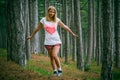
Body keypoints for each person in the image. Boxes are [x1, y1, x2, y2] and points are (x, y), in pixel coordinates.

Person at [27, 6, 77, 76]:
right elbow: (37, 29)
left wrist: (72, 33)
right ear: (48, 12)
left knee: (54, 55)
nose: (52, 13)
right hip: (48, 42)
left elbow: (65, 26)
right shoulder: (43, 20)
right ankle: (54, 71)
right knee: (51, 58)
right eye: (50, 11)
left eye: (53, 12)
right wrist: (31, 36)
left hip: (56, 41)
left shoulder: (56, 20)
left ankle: (59, 69)